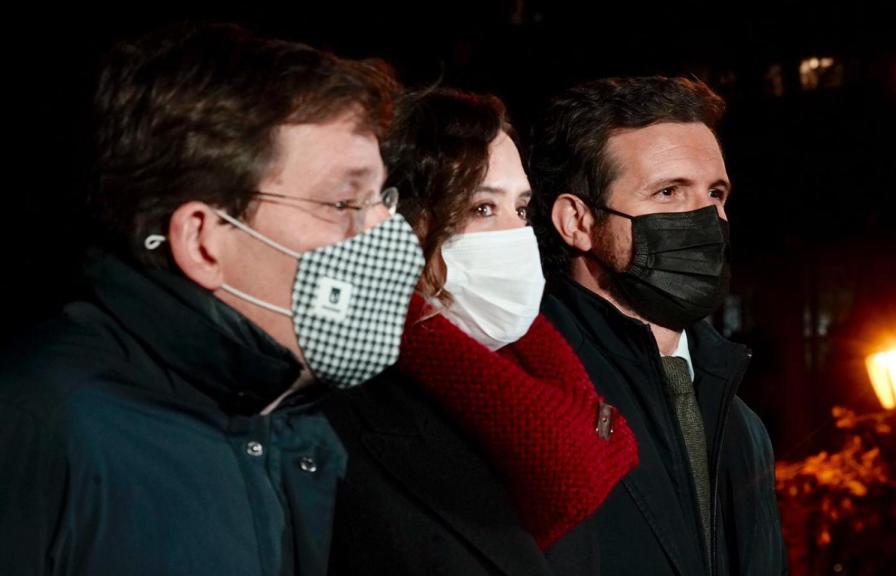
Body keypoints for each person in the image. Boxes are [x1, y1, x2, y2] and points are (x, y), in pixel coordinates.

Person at [0, 23, 424, 575]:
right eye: (344, 202)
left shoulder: (291, 417)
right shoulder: (40, 427)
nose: (387, 232)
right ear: (203, 239)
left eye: (379, 198)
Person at [327, 88, 638, 575]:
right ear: (395, 224)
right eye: (480, 209)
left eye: (520, 209)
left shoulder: (552, 388)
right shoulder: (338, 410)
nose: (515, 236)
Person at [528, 76, 787, 576]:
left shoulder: (741, 424)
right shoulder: (531, 397)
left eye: (715, 192)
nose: (704, 217)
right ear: (576, 221)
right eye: (668, 192)